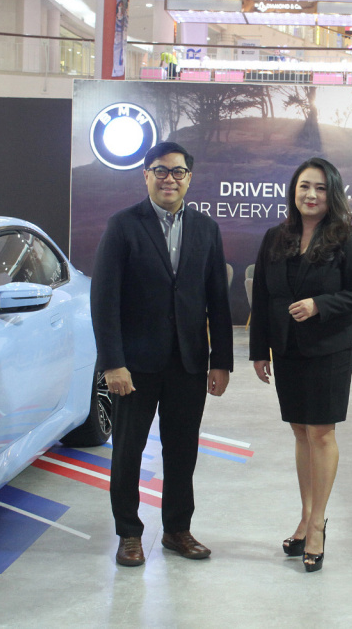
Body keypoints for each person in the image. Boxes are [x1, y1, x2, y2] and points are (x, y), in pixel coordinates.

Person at [91, 141, 233, 567]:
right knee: (128, 451)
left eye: (178, 172)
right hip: (134, 366)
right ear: (146, 175)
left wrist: (221, 361)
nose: (169, 179)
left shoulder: (206, 229)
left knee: (182, 451)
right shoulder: (123, 225)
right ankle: (129, 533)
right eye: (160, 171)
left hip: (188, 363)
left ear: (189, 178)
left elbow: (218, 301)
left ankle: (176, 530)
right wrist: (113, 362)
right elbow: (104, 300)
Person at [249, 157, 352, 573]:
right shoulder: (275, 237)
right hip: (286, 349)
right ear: (294, 190)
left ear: (331, 193)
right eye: (305, 186)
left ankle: (318, 523)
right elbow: (263, 297)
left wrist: (320, 304)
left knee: (320, 433)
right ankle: (304, 516)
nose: (311, 194)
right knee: (300, 432)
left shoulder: (346, 237)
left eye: (320, 188)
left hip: (330, 348)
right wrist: (259, 350)